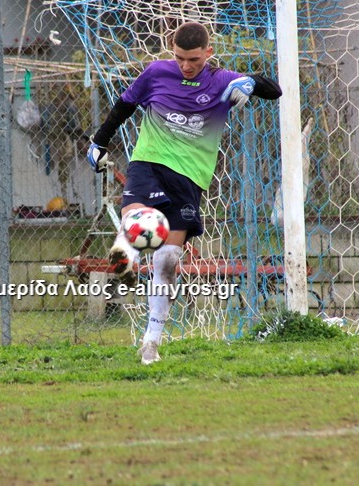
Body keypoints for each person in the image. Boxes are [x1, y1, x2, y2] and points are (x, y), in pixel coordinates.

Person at [87, 21, 282, 365]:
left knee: (167, 262)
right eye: (179, 58)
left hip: (189, 178)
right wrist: (99, 141)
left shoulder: (222, 81)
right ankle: (126, 253)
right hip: (149, 163)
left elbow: (275, 91)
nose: (186, 65)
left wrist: (251, 82)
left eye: (193, 59)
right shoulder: (156, 73)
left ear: (208, 53)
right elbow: (124, 105)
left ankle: (151, 343)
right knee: (135, 220)